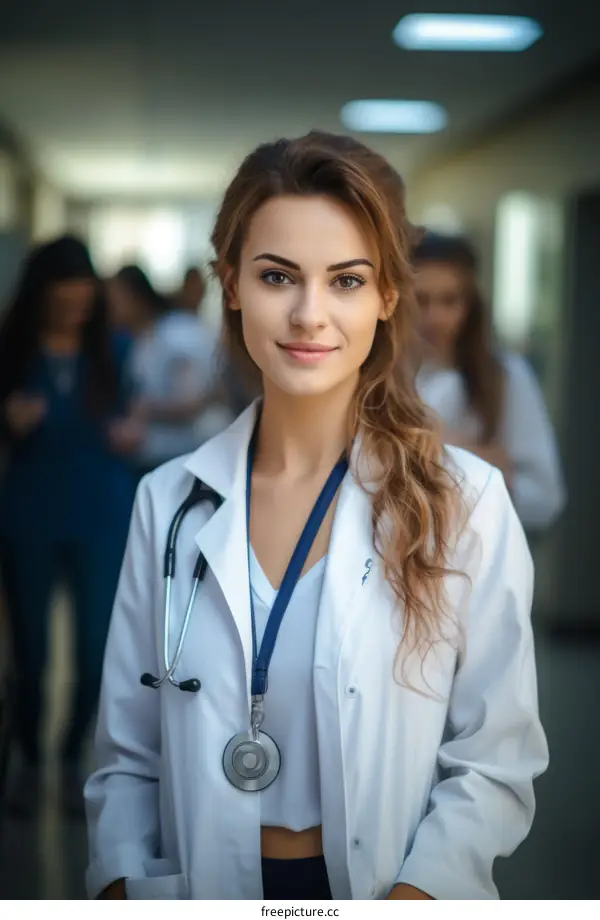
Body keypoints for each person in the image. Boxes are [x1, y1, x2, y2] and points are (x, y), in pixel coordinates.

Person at [84, 132, 548, 900]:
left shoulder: (462, 503)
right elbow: (127, 757)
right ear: (230, 284)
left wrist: (412, 900)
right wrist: (125, 888)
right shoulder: (167, 502)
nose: (308, 314)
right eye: (277, 276)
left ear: (386, 296)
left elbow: (496, 762)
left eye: (346, 280)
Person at [0, 235, 137, 817]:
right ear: (44, 292)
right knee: (29, 652)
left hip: (100, 514)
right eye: (67, 292)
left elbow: (136, 416)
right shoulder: (13, 351)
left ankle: (72, 750)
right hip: (29, 513)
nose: (78, 304)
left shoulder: (116, 349)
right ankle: (30, 758)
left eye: (86, 293)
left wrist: (133, 430)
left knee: (93, 649)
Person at [413, 233, 565, 534]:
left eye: (449, 300)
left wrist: (446, 455)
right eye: (421, 300)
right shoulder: (381, 375)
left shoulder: (505, 375)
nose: (435, 317)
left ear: (469, 304)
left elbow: (544, 499)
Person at [107, 265, 218, 479]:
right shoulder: (135, 339)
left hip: (176, 457)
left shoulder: (175, 333)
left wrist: (143, 410)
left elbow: (191, 401)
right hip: (143, 459)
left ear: (136, 298)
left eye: (116, 301)